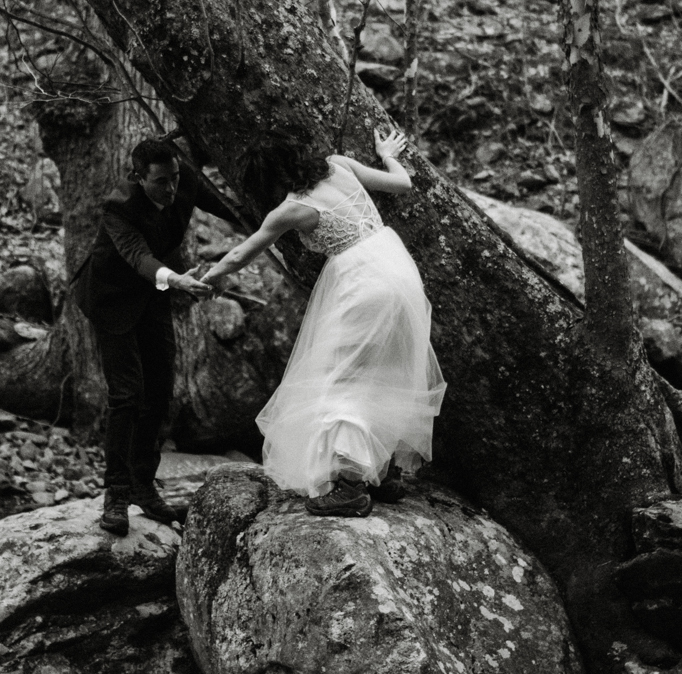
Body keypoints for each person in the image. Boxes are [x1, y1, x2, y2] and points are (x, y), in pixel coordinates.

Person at [199, 127, 445, 518]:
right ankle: (386, 471)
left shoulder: (291, 209)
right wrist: (386, 154)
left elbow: (241, 253)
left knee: (339, 375)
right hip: (396, 264)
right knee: (390, 366)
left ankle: (350, 486)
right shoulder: (338, 166)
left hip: (364, 281)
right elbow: (402, 183)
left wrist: (207, 279)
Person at [72, 135, 236, 535]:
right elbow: (138, 257)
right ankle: (116, 495)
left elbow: (232, 210)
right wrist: (177, 279)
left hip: (153, 298)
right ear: (138, 177)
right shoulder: (119, 206)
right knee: (126, 394)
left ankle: (144, 486)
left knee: (161, 389)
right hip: (111, 301)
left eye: (175, 178)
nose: (171, 189)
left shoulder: (185, 181)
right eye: (161, 181)